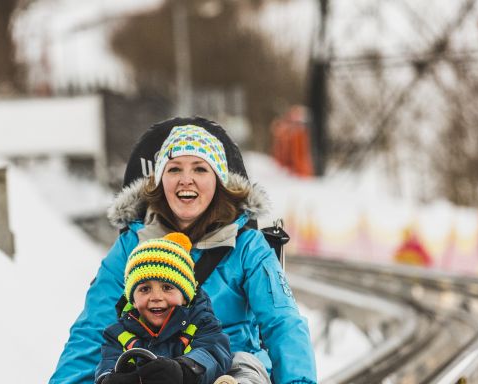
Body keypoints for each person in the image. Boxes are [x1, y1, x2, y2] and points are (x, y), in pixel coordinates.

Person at [50, 117, 317, 384]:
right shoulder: (132, 246)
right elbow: (93, 328)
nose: (186, 180)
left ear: (218, 180)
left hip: (232, 369)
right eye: (174, 169)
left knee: (242, 367)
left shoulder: (247, 247)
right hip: (155, 369)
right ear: (160, 180)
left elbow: (282, 323)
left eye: (200, 169)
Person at [95, 232, 233, 384]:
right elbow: (107, 363)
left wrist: (183, 370)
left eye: (167, 287)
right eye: (145, 289)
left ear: (185, 296)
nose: (156, 297)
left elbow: (212, 355)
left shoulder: (202, 323)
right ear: (133, 300)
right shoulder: (118, 334)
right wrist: (111, 379)